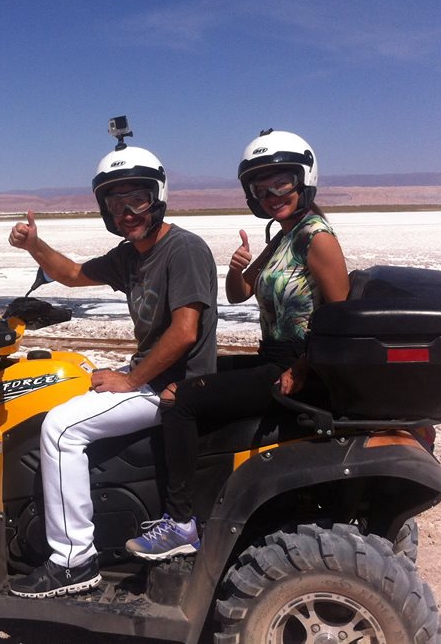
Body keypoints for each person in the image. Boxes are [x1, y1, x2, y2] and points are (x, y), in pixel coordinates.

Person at [7, 132, 218, 597]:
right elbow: (73, 274)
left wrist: (130, 378)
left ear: (157, 198)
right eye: (117, 203)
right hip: (149, 378)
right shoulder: (130, 255)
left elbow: (185, 332)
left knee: (61, 428)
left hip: (175, 387)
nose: (128, 212)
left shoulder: (183, 249)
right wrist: (34, 246)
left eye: (137, 199)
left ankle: (72, 560)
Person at [125, 128, 350, 560]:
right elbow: (238, 293)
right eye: (260, 188)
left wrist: (302, 369)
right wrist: (238, 266)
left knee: (182, 400)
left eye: (281, 183)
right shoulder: (285, 234)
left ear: (303, 180)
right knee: (193, 374)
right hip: (273, 358)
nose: (271, 194)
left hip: (300, 368)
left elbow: (338, 318)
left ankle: (181, 524)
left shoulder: (315, 237)